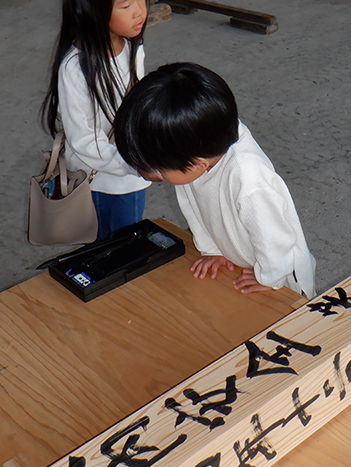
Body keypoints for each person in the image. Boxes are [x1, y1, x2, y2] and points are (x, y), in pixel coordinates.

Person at [114, 62, 317, 299]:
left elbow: (276, 239)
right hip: (238, 255)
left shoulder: (249, 180)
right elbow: (194, 206)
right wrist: (212, 249)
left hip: (282, 277)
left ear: (197, 164)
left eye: (158, 167)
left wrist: (270, 277)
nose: (152, 174)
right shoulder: (197, 142)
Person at [41, 0, 152, 241]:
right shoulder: (75, 68)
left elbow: (138, 104)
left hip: (131, 175)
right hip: (102, 181)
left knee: (127, 241)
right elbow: (84, 142)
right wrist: (136, 165)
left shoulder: (131, 46)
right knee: (115, 249)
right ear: (92, 8)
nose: (139, 11)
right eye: (126, 5)